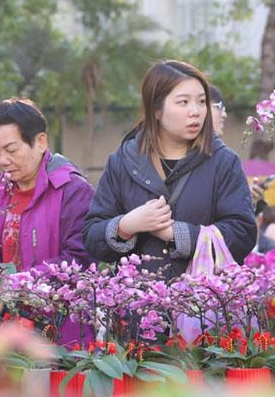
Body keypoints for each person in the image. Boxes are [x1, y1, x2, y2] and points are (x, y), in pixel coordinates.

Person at [83, 60, 257, 278]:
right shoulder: (122, 161)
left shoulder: (223, 162)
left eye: (202, 102)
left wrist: (177, 234)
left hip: (202, 303)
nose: (195, 111)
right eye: (183, 102)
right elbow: (92, 237)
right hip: (138, 304)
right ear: (156, 109)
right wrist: (126, 226)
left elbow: (243, 234)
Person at [0, 98, 94, 270]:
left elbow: (79, 259)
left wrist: (23, 283)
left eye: (11, 150)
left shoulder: (72, 191)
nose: (2, 161)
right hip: (0, 296)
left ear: (41, 142)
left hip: (52, 297)